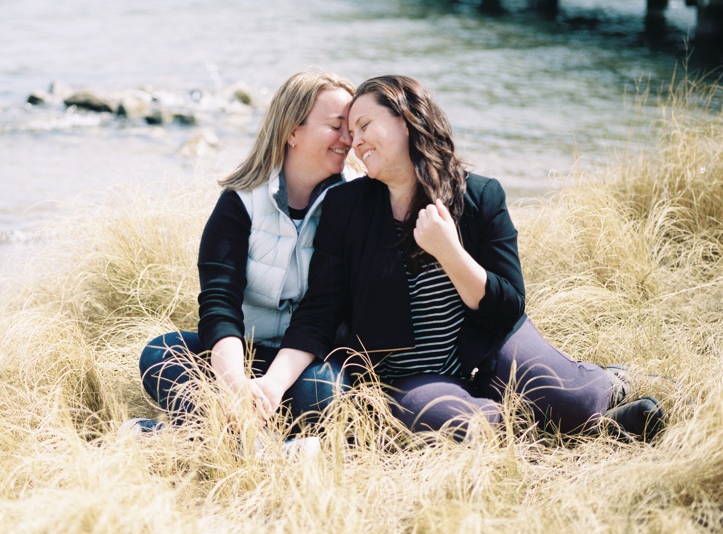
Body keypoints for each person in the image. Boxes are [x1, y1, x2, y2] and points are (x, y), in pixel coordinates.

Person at [254, 75, 666, 442]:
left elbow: (508, 306)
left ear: (407, 119)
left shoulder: (481, 196)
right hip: (411, 377)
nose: (354, 142)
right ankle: (569, 427)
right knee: (461, 423)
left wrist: (449, 251)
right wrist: (273, 384)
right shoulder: (346, 207)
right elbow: (319, 313)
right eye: (349, 129)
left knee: (574, 400)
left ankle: (603, 386)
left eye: (364, 126)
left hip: (490, 346)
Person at [129, 70, 357, 438]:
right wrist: (235, 385)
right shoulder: (241, 200)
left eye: (353, 127)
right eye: (336, 126)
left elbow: (322, 314)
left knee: (327, 392)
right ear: (292, 132)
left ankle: (183, 438)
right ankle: (253, 440)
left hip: (304, 364)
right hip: (238, 355)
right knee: (161, 354)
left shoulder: (353, 202)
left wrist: (271, 387)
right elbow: (220, 301)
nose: (349, 139)